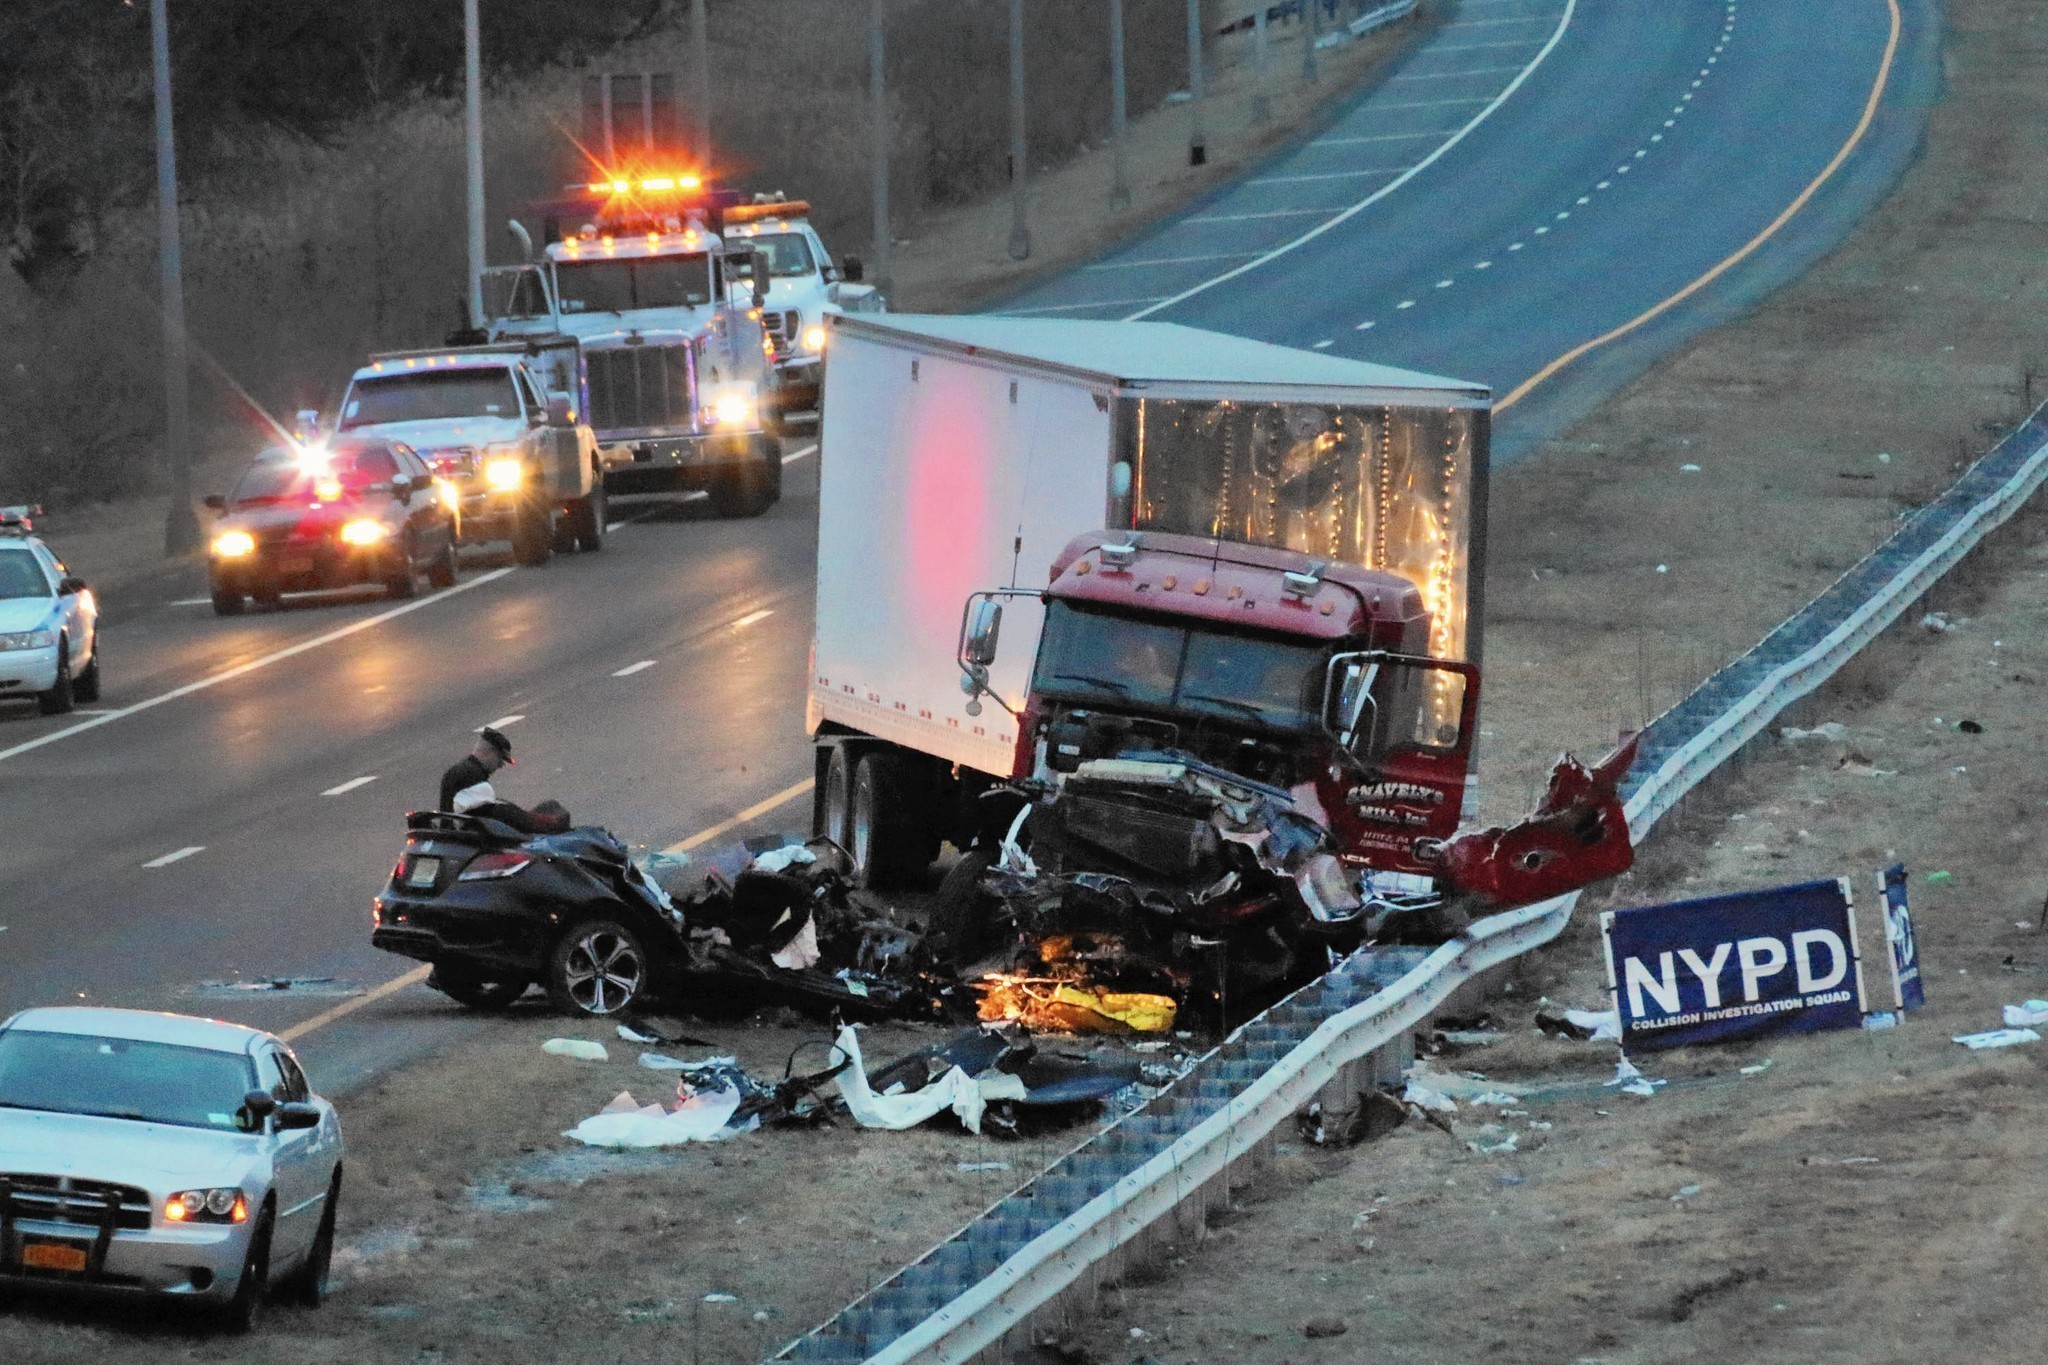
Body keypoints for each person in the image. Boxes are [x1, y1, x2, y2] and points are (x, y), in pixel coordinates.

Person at [436, 726, 570, 834]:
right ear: (490, 751)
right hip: (475, 839)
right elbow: (500, 816)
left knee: (549, 806)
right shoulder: (476, 780)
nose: (500, 766)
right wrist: (546, 824)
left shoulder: (458, 771)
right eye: (500, 759)